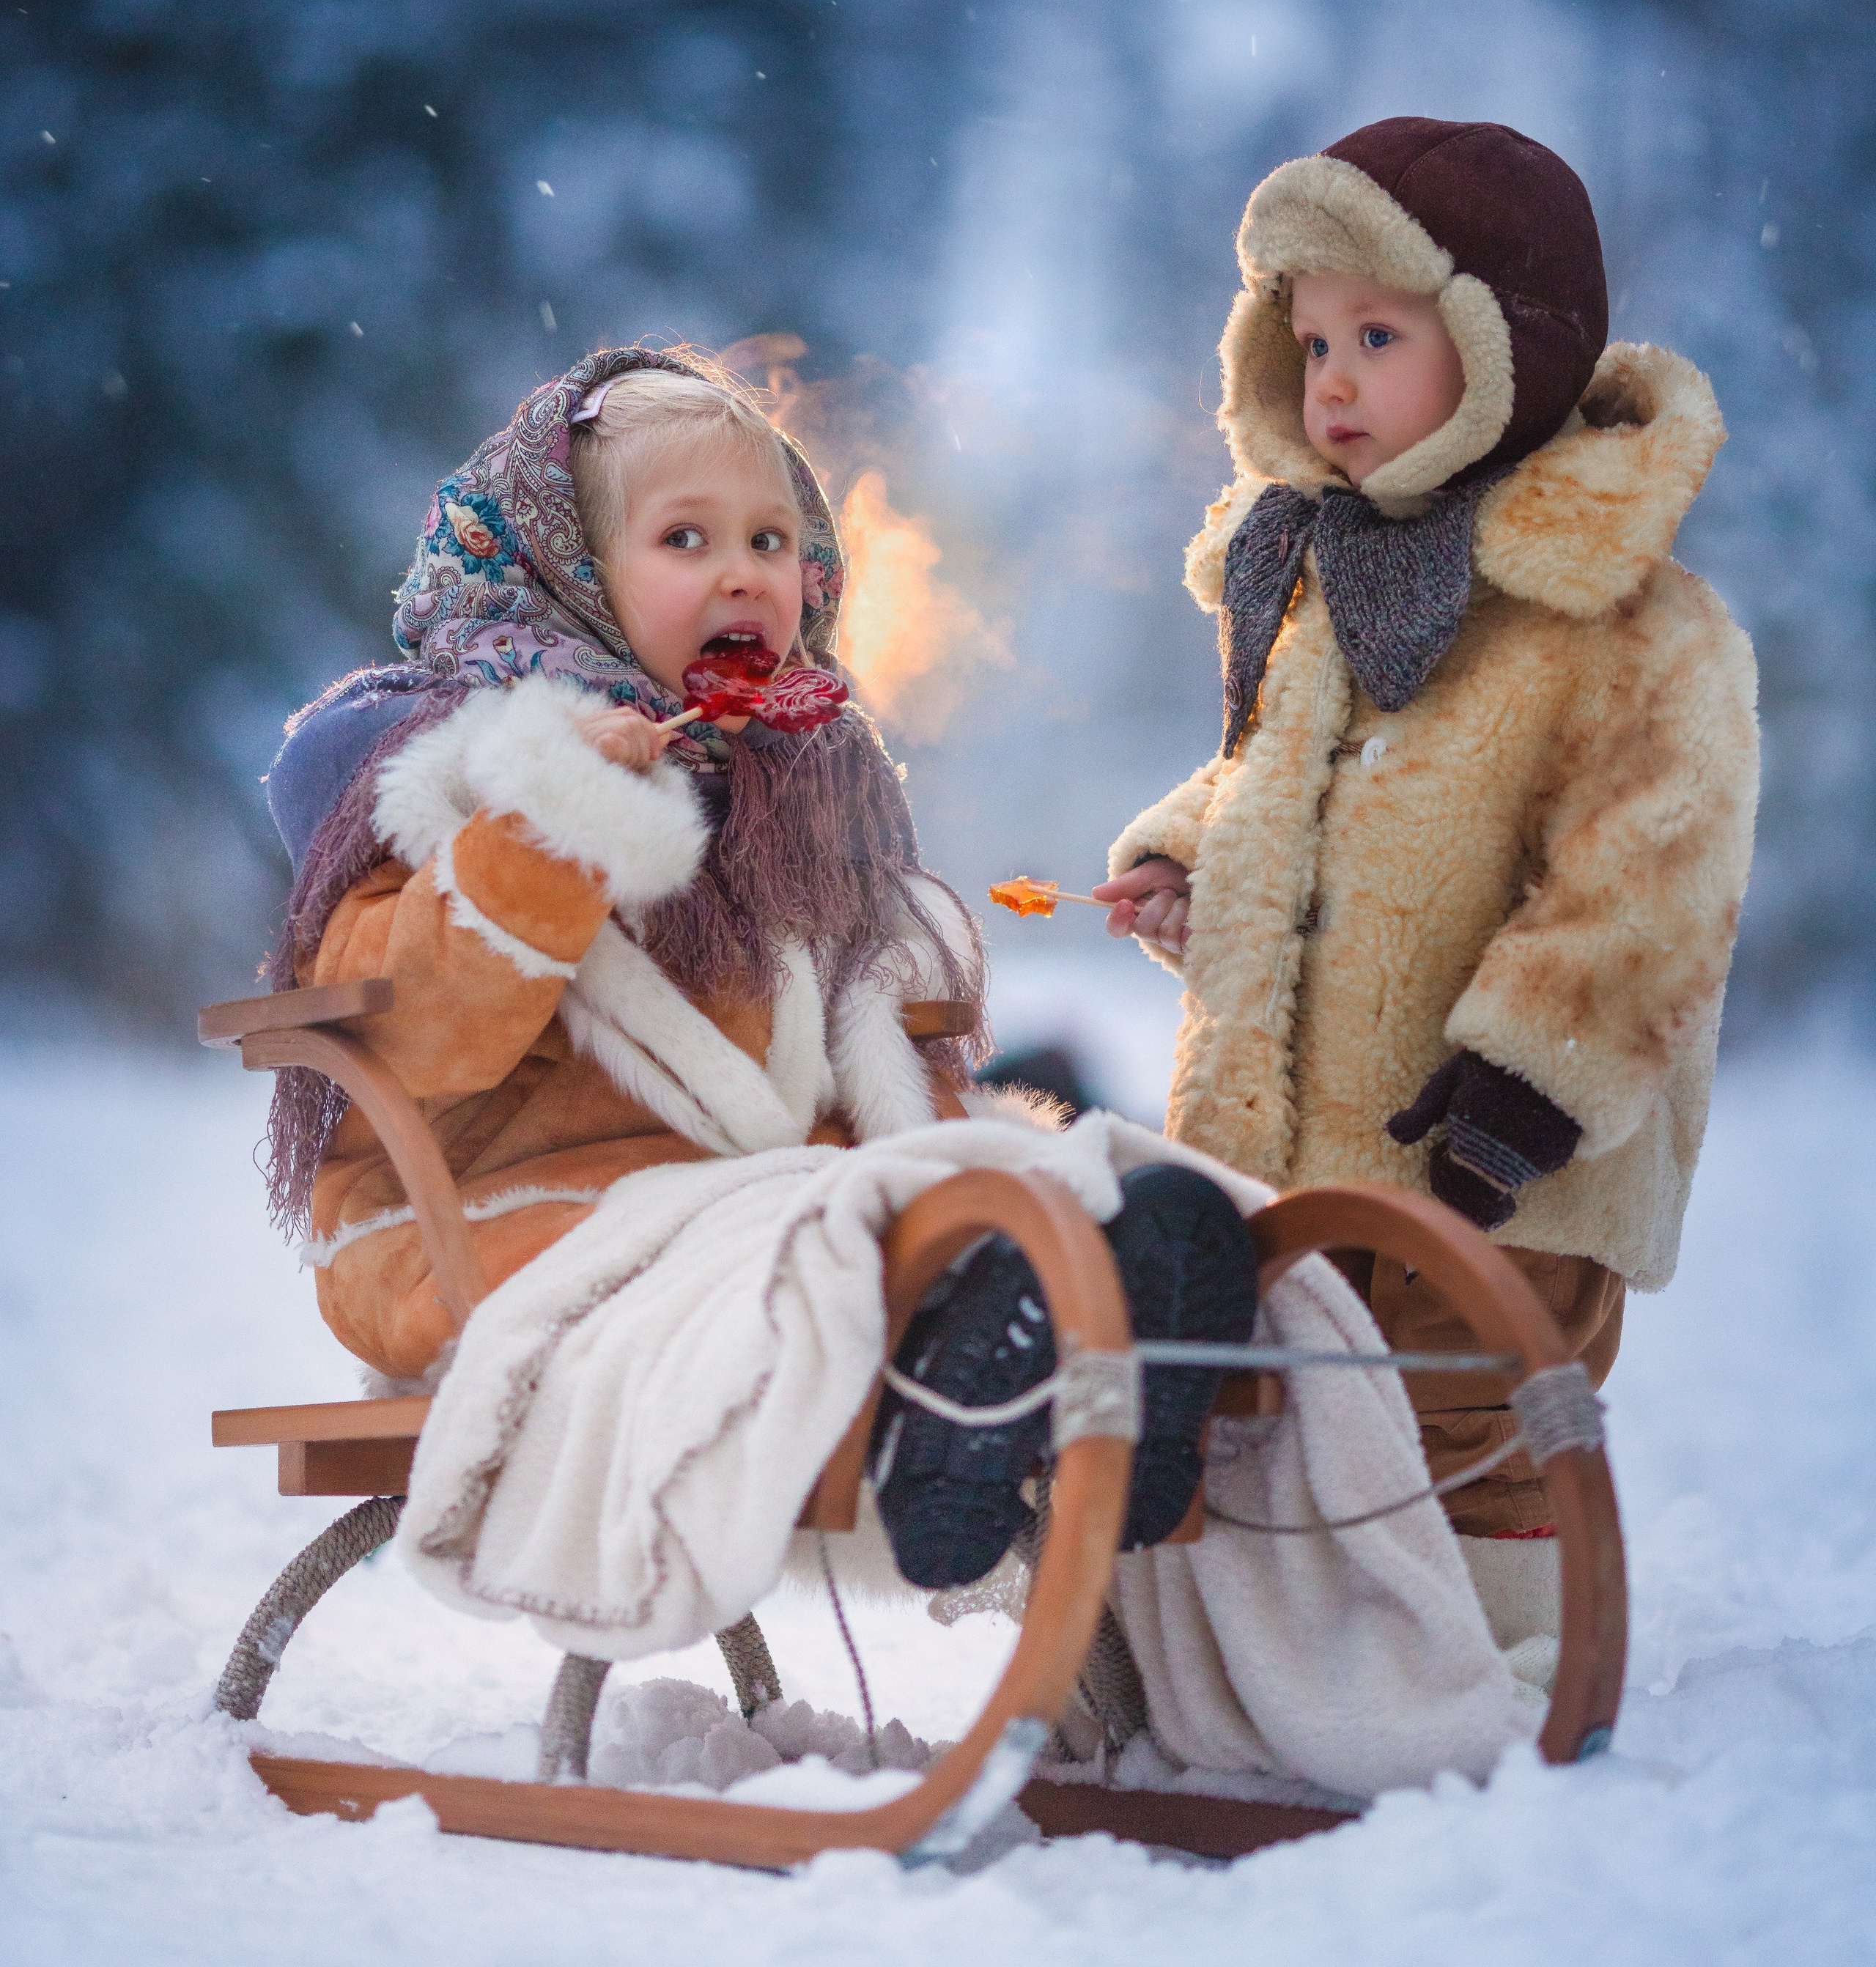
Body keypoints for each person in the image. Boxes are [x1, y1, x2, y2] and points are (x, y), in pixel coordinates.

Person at [263, 344, 1255, 1593]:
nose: (744, 573)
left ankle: (1059, 1315)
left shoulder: (788, 800)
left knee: (998, 1187)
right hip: (494, 1230)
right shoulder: (450, 778)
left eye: (774, 542)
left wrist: (953, 1161)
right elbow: (418, 1032)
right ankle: (971, 1368)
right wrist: (552, 830)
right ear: (566, 572)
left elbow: (862, 1068)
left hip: (732, 1209)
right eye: (686, 540)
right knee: (811, 1241)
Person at [1096, 117, 1759, 1642]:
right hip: (1300, 1141)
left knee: (1461, 1407)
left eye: (1375, 335)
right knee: (1305, 1415)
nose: (1326, 379)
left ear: (1498, 342)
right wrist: (1183, 855)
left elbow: (1650, 875)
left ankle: (1492, 1655)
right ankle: (1290, 1661)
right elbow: (1285, 781)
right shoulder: (1327, 584)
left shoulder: (1624, 625)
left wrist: (1528, 1082)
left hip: (1498, 1151)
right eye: (1308, 335)